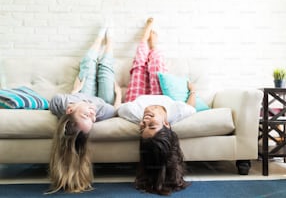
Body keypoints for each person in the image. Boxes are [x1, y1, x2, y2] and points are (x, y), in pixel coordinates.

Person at [118, 18, 194, 195]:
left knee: (138, 67)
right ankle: (154, 47)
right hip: (161, 97)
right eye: (152, 125)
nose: (145, 121)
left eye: (143, 127)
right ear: (167, 124)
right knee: (156, 67)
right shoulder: (176, 112)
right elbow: (191, 108)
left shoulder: (133, 112)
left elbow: (119, 108)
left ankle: (143, 40)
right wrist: (193, 91)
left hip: (137, 98)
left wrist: (117, 95)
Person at [47, 26, 121, 194]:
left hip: (81, 94)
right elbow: (115, 110)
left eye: (86, 115)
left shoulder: (61, 102)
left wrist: (74, 92)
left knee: (88, 65)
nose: (93, 114)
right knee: (105, 69)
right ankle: (110, 43)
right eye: (93, 119)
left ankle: (99, 39)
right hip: (104, 100)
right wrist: (119, 95)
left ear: (69, 109)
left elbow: (61, 103)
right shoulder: (102, 111)